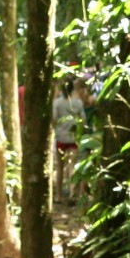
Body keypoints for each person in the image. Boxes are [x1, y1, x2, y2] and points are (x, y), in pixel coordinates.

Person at [51, 74, 88, 206]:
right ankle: (72, 194)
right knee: (72, 165)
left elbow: (54, 119)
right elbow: (83, 120)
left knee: (60, 168)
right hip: (73, 139)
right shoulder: (78, 103)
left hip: (60, 138)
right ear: (72, 89)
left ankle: (59, 196)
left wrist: (57, 127)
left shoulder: (56, 103)